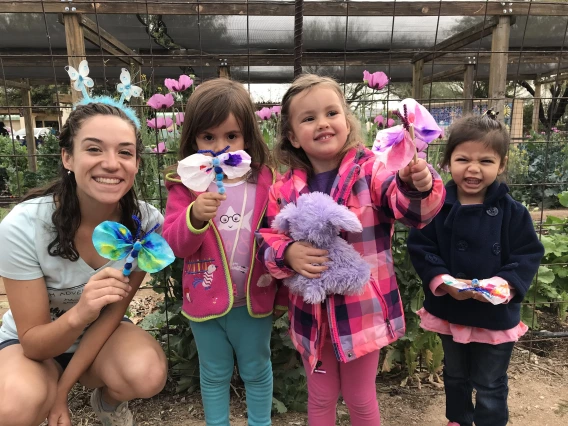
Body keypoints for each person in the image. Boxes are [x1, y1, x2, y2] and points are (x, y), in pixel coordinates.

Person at [257, 74, 446, 425]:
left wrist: (417, 185)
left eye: (331, 112)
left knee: (360, 398)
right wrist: (287, 255)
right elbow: (267, 239)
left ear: (347, 121)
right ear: (292, 136)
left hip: (362, 311)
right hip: (310, 315)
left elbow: (410, 210)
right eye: (309, 118)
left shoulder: (373, 170)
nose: (323, 123)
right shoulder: (283, 189)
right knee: (321, 397)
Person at [0, 101, 167, 426]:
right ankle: (40, 394)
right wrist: (80, 311)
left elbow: (110, 317)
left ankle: (105, 402)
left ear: (136, 163)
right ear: (68, 158)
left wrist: (62, 393)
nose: (111, 164)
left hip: (101, 340)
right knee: (13, 407)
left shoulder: (147, 226)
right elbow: (33, 343)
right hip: (32, 346)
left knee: (147, 373)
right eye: (94, 149)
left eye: (125, 152)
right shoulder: (22, 226)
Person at [407, 112, 544, 426]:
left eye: (485, 161)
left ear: (502, 164)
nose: (473, 168)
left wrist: (503, 284)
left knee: (490, 382)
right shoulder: (436, 206)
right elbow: (421, 246)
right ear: (447, 161)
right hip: (449, 308)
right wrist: (443, 280)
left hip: (494, 314)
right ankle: (458, 419)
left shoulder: (513, 212)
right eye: (463, 159)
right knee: (454, 376)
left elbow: (527, 253)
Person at [162, 78, 282, 426]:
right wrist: (194, 217)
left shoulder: (264, 181)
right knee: (213, 373)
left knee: (257, 369)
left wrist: (282, 290)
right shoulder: (185, 187)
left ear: (247, 136)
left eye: (231, 136)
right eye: (208, 137)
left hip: (254, 298)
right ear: (193, 140)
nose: (219, 146)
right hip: (204, 298)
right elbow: (175, 246)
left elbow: (278, 234)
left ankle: (261, 423)